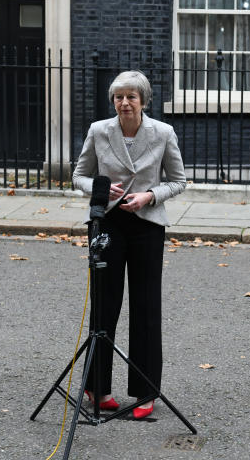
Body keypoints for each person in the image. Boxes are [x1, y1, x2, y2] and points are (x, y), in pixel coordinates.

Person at [72, 70, 186, 419]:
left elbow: (179, 181)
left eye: (131, 97)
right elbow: (79, 175)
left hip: (146, 225)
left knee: (146, 309)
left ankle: (144, 392)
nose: (124, 103)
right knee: (104, 307)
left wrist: (149, 195)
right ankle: (97, 388)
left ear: (143, 101)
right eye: (119, 97)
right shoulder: (99, 131)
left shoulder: (163, 133)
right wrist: (100, 189)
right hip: (107, 224)